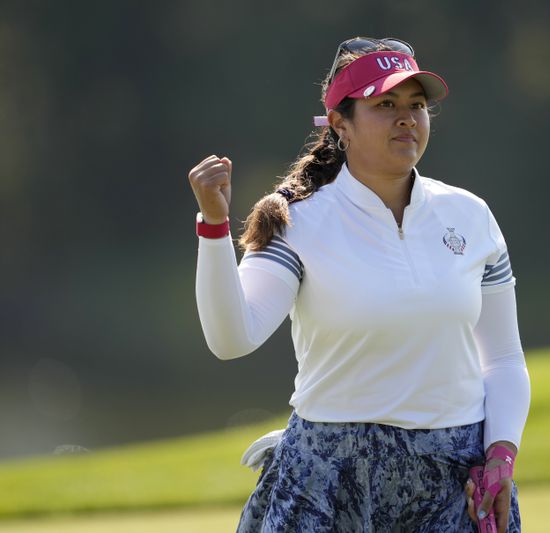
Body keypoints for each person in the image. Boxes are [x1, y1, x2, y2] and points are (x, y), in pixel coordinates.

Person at [188, 36, 531, 532]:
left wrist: (501, 451)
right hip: (329, 479)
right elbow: (231, 338)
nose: (407, 118)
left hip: (454, 481)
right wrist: (215, 227)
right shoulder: (297, 222)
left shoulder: (470, 215)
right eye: (385, 104)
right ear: (339, 125)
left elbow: (502, 358)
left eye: (417, 105)